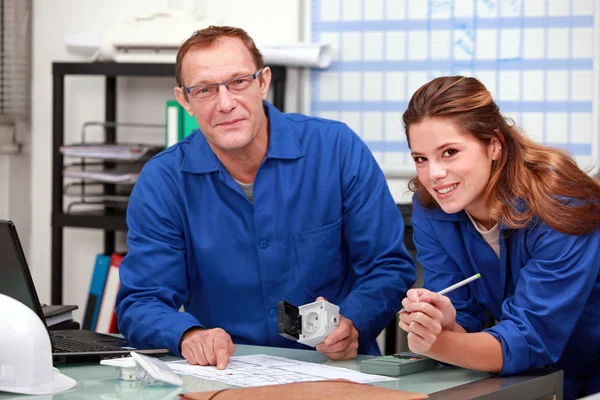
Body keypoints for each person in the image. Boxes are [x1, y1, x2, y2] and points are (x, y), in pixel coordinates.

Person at [116, 25, 416, 370]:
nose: (225, 103)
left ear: (263, 82)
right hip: (225, 373)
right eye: (205, 90)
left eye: (238, 82)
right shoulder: (162, 181)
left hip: (337, 369)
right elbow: (142, 300)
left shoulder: (336, 149)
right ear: (185, 100)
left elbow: (387, 266)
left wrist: (354, 322)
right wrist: (188, 336)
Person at [398, 76, 600, 399]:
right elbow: (464, 318)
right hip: (523, 379)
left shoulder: (561, 203)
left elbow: (530, 338)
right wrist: (443, 321)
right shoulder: (431, 209)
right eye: (420, 158)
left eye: (449, 152)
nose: (433, 174)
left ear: (494, 145)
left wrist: (440, 343)